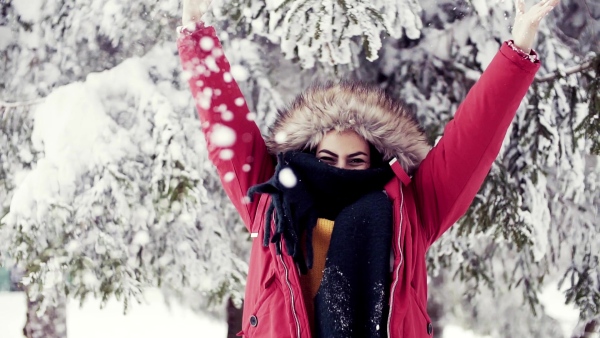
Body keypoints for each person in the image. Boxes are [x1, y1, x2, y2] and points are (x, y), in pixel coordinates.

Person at [177, 0, 559, 337]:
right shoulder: (272, 203)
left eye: (356, 161)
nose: (341, 170)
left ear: (374, 161)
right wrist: (195, 30)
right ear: (309, 154)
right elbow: (226, 127)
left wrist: (517, 50)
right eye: (328, 160)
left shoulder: (409, 211)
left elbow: (473, 142)